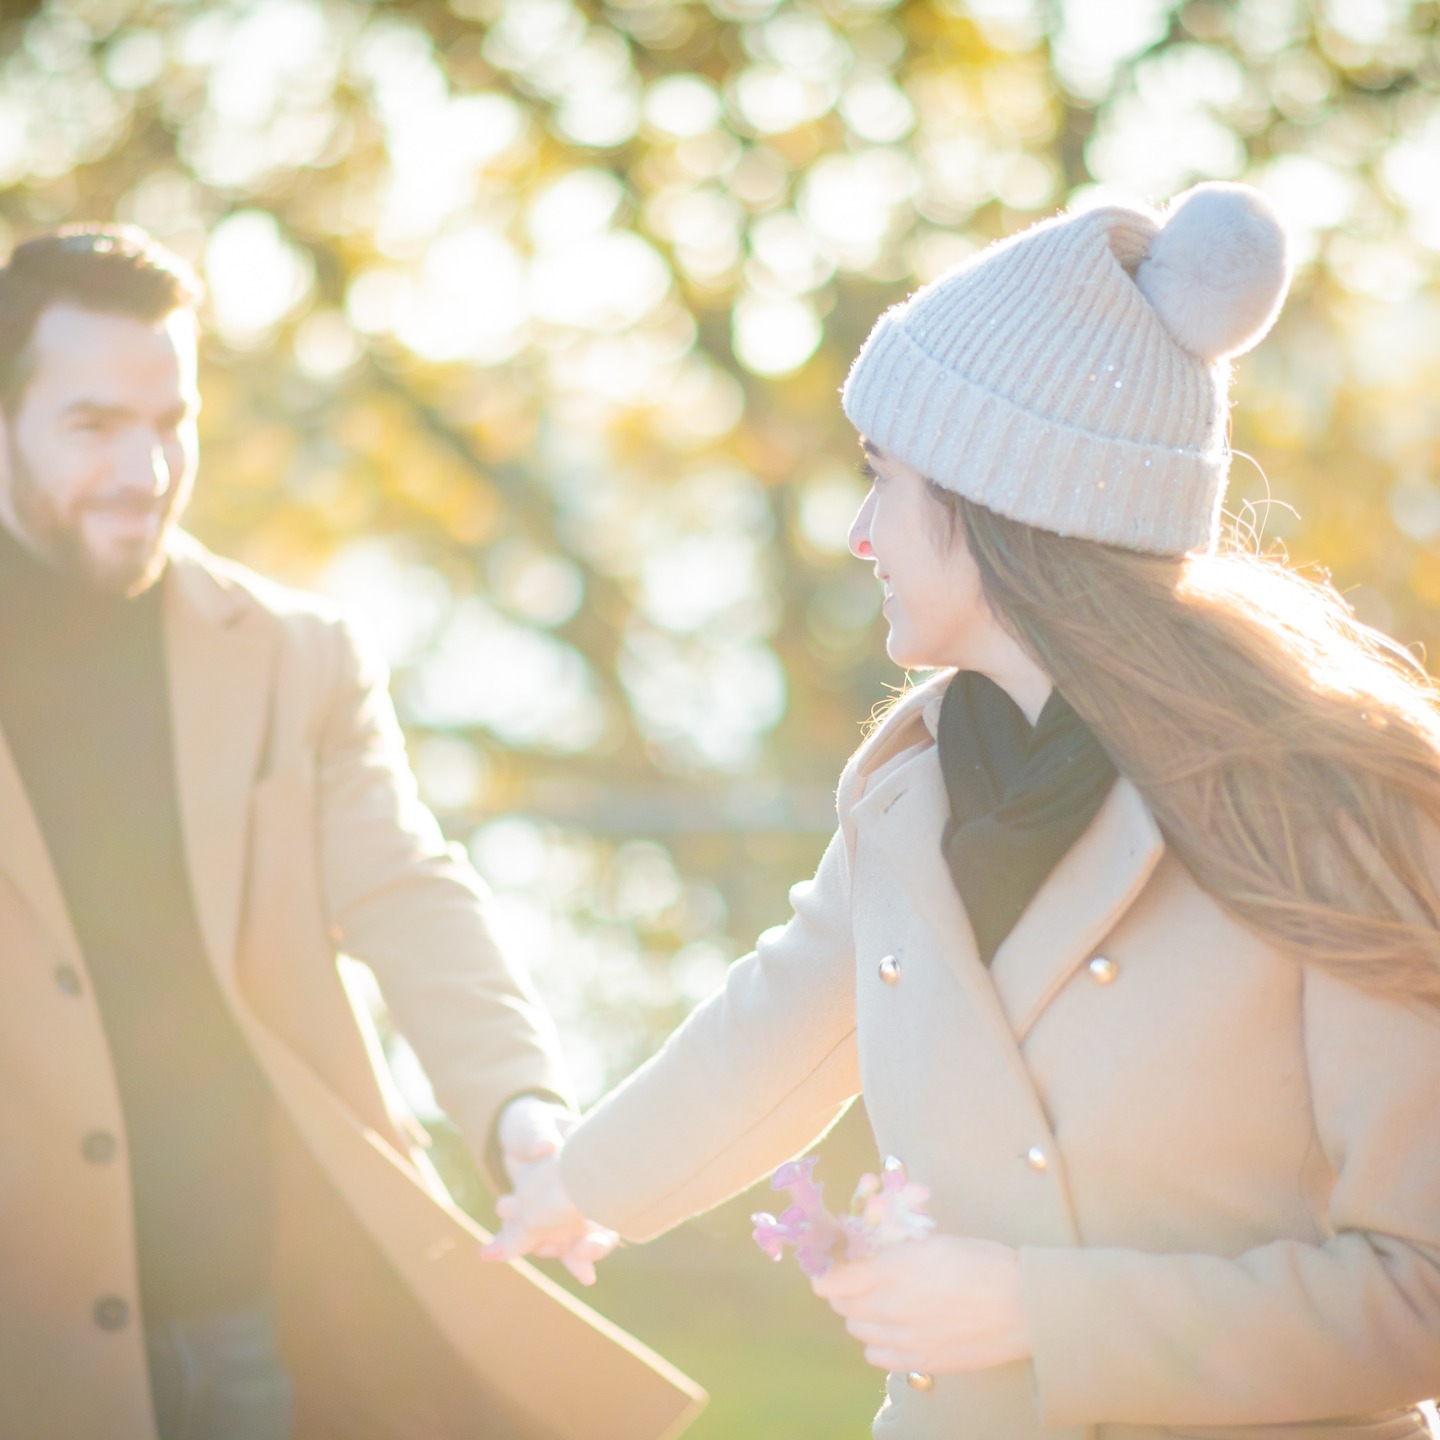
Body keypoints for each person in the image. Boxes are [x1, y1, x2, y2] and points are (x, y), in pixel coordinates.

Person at [488, 184, 1440, 1439]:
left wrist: (1039, 1313)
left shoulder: (1331, 804)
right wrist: (575, 1186)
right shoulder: (908, 789)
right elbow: (772, 1031)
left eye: (882, 480)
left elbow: (1421, 1293)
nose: (857, 533)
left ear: (1000, 502)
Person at [0, 226, 699, 1440]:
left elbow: (407, 887)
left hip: (264, 1319)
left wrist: (517, 1104)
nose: (145, 470)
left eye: (171, 422)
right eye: (93, 425)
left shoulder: (296, 653)